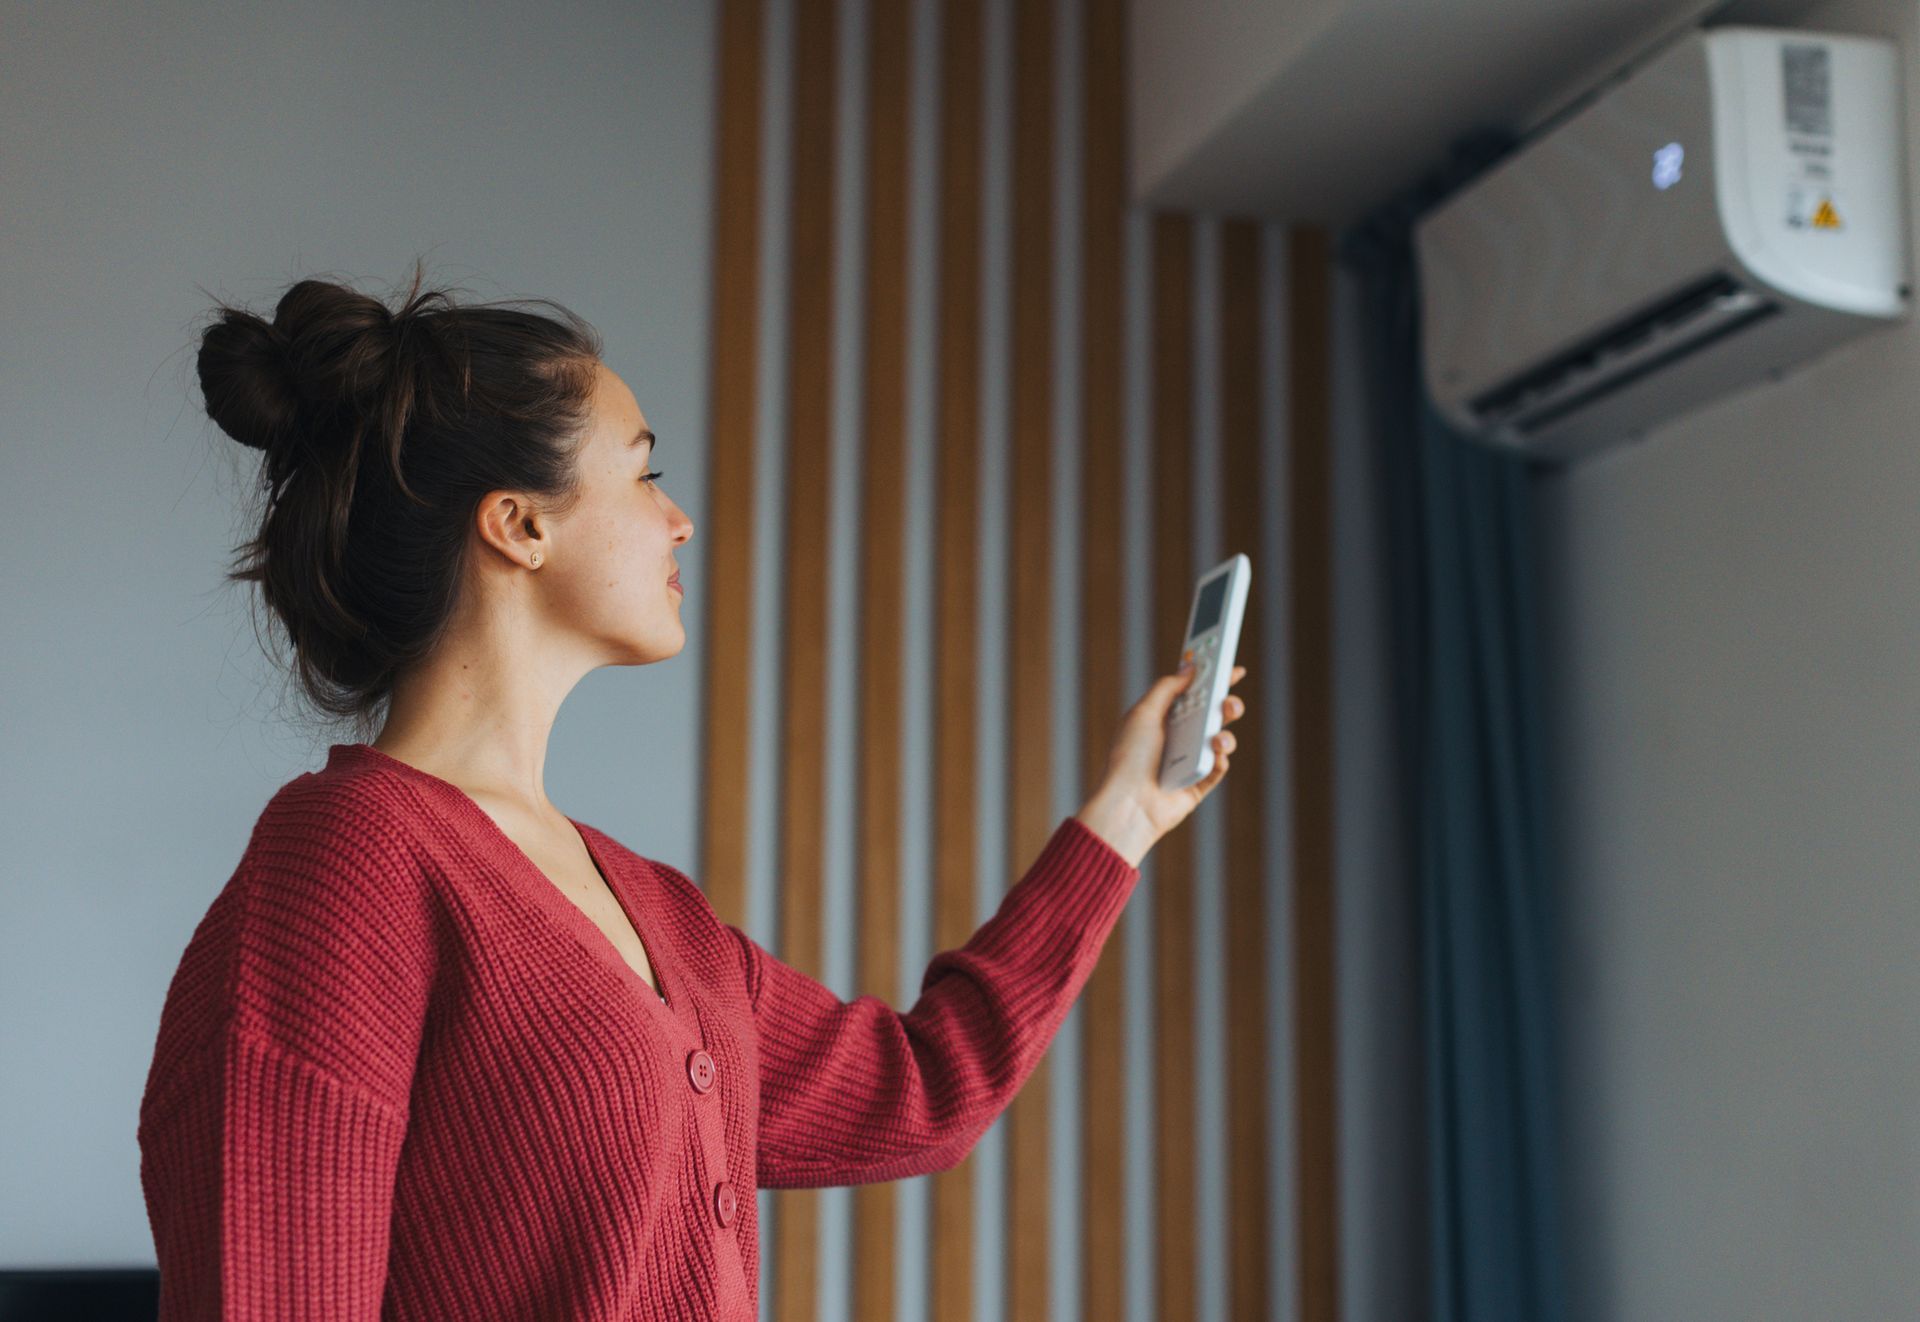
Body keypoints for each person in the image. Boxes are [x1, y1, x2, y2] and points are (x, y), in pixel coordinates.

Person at [138, 263, 1248, 1320]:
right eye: (644, 470)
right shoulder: (346, 858)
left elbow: (922, 1091)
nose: (679, 519)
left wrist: (1128, 813)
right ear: (520, 523)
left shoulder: (660, 910)